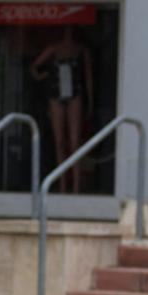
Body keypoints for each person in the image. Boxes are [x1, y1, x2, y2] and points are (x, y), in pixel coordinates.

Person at [30, 27, 93, 192]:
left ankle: (76, 186)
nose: (68, 33)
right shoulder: (54, 48)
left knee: (74, 142)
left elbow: (88, 77)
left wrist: (90, 100)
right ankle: (63, 185)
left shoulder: (81, 50)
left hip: (75, 93)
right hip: (56, 93)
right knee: (59, 141)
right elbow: (35, 67)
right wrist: (43, 76)